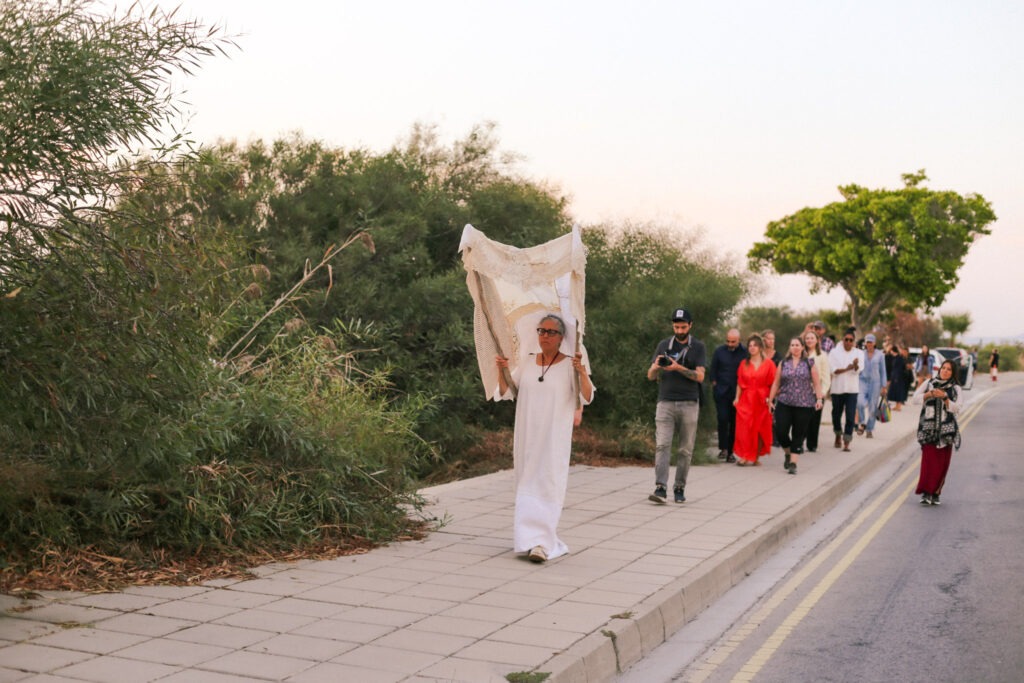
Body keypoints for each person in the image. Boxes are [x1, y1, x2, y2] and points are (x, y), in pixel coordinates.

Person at [495, 314, 595, 563]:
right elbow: (507, 391)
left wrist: (582, 373)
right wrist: (502, 370)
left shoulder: (570, 365)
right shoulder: (528, 363)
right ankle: (527, 540)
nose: (545, 336)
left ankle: (542, 542)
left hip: (553, 437)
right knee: (527, 483)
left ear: (562, 337)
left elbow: (587, 396)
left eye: (551, 332)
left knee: (547, 484)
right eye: (542, 331)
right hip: (528, 434)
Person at [647, 307, 706, 504]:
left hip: (689, 402)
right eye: (676, 326)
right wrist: (656, 367)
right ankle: (660, 487)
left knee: (685, 449)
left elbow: (700, 376)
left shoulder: (698, 346)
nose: (679, 330)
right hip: (665, 401)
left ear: (690, 325)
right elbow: (650, 376)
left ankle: (679, 487)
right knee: (662, 445)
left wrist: (677, 367)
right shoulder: (664, 344)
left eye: (683, 327)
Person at [768, 337, 823, 475]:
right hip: (785, 402)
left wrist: (819, 399)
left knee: (798, 434)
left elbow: (816, 383)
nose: (795, 347)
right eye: (792, 345)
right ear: (790, 347)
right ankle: (787, 453)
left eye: (797, 345)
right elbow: (776, 383)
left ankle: (793, 463)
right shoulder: (783, 363)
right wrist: (770, 399)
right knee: (780, 431)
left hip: (804, 404)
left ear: (802, 347)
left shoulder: (809, 363)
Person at [911, 359, 962, 505]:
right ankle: (926, 492)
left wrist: (945, 398)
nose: (945, 371)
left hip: (946, 432)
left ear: (953, 373)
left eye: (949, 369)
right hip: (929, 430)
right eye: (943, 368)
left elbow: (958, 408)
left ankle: (936, 493)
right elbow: (915, 399)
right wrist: (930, 394)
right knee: (928, 462)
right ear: (939, 369)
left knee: (942, 464)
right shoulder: (929, 383)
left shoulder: (955, 388)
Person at [732, 334, 776, 466]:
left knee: (760, 428)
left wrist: (771, 400)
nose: (752, 348)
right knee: (744, 428)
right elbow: (739, 382)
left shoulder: (769, 364)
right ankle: (744, 455)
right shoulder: (743, 363)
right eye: (750, 346)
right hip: (746, 398)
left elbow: (774, 383)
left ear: (760, 347)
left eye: (755, 345)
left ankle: (755, 456)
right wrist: (736, 397)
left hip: (762, 399)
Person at [709, 328, 747, 463]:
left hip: (738, 394)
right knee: (723, 419)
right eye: (728, 341)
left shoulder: (745, 352)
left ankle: (731, 452)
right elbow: (713, 370)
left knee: (734, 423)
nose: (730, 344)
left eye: (733, 342)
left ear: (739, 340)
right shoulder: (719, 351)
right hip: (721, 392)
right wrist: (715, 386)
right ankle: (723, 448)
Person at [828, 328, 864, 452]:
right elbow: (833, 370)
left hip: (852, 389)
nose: (848, 342)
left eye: (851, 340)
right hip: (837, 389)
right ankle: (838, 433)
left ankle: (847, 440)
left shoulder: (859, 353)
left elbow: (859, 370)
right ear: (842, 339)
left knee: (850, 416)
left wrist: (855, 366)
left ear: (854, 341)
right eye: (846, 340)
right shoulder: (834, 352)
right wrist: (848, 368)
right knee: (836, 415)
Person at [802, 329, 831, 452]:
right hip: (801, 392)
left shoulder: (822, 355)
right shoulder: (801, 353)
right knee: (802, 418)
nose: (809, 340)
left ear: (817, 340)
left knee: (814, 419)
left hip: (816, 392)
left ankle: (812, 444)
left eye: (812, 338)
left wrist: (823, 391)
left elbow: (826, 376)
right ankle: (799, 442)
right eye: (807, 338)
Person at [855, 333, 888, 438]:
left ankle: (869, 429)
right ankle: (862, 422)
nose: (868, 344)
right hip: (862, 381)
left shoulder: (880, 355)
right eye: (867, 342)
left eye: (870, 342)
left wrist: (884, 386)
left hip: (875, 383)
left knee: (873, 407)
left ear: (874, 343)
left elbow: (883, 371)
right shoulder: (861, 353)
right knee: (859, 403)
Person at [887, 345, 913, 411]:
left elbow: (900, 369)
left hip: (899, 377)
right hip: (895, 377)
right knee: (895, 392)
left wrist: (896, 377)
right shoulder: (894, 357)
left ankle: (899, 406)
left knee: (899, 392)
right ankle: (896, 406)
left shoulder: (899, 358)